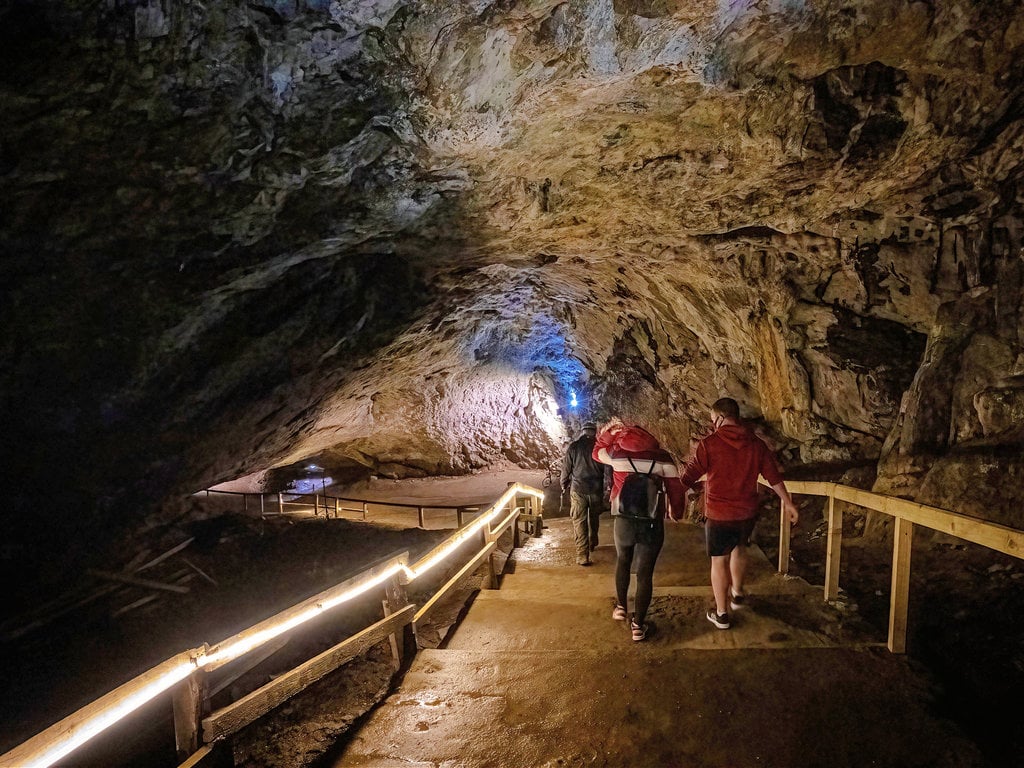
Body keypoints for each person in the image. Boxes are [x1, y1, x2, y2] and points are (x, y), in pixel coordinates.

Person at [677, 397, 799, 630]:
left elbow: (691, 474)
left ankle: (722, 614)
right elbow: (774, 477)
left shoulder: (709, 444)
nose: (713, 424)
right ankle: (738, 594)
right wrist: (788, 503)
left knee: (719, 560)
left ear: (721, 417)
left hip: (719, 513)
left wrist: (673, 494)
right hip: (746, 512)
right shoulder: (756, 444)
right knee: (739, 549)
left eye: (713, 420)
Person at [593, 418, 684, 641]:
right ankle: (638, 625)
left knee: (623, 561)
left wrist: (608, 434)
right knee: (645, 573)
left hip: (624, 519)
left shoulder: (617, 453)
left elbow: (596, 452)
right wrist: (676, 512)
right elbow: (676, 490)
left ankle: (621, 606)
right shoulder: (663, 458)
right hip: (651, 522)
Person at [560, 422, 606, 566]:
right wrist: (608, 486)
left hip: (578, 489)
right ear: (595, 432)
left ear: (582, 432)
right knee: (594, 516)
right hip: (596, 489)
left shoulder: (574, 447)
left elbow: (566, 467)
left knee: (579, 521)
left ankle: (582, 555)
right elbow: (608, 468)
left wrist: (564, 483)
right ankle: (593, 540)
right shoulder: (600, 447)